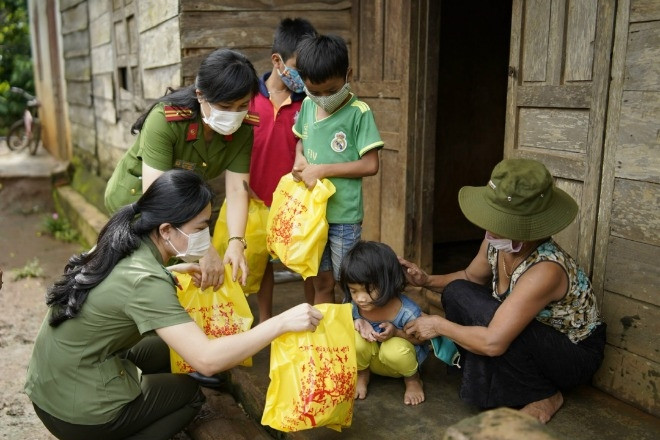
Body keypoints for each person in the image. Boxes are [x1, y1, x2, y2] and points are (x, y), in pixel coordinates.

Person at [25, 170, 323, 440]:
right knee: (190, 393)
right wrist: (280, 322)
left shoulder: (124, 234)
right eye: (200, 228)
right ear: (166, 230)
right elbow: (206, 359)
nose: (205, 238)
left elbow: (118, 285)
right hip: (75, 415)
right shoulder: (145, 281)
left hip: (49, 388)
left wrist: (170, 271)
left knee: (164, 350)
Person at [400, 158, 606, 424]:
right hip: (528, 336)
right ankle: (509, 382)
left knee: (494, 336)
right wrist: (425, 280)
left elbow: (494, 342)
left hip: (569, 353)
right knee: (457, 292)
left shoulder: (546, 270)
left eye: (498, 221)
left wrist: (438, 325)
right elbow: (470, 277)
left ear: (523, 228)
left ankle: (544, 394)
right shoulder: (499, 242)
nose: (489, 228)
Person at [104, 48, 260, 291]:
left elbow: (237, 190)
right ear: (201, 96)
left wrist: (236, 242)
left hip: (183, 209)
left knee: (182, 277)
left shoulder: (243, 129)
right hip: (139, 199)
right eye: (226, 106)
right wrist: (204, 248)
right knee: (145, 271)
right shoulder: (165, 120)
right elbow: (158, 195)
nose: (234, 115)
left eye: (242, 105)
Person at [292, 34, 383, 305]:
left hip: (343, 217)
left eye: (331, 91)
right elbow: (301, 141)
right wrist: (299, 159)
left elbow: (370, 164)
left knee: (350, 282)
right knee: (321, 281)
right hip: (312, 215)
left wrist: (321, 170)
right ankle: (326, 341)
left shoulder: (359, 112)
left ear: (348, 75)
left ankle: (354, 335)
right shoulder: (307, 106)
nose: (323, 98)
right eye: (314, 91)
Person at [248, 17, 317, 322]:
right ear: (277, 61)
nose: (304, 78)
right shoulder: (248, 99)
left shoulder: (308, 105)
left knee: (307, 263)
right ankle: (265, 320)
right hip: (256, 197)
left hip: (296, 200)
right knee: (261, 265)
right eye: (299, 69)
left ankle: (313, 316)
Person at [340, 241, 429, 406]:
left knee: (394, 348)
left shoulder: (406, 311)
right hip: (372, 362)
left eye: (368, 290)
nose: (360, 298)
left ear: (388, 283)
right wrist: (356, 322)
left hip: (400, 364)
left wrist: (396, 332)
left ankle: (413, 380)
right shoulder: (354, 307)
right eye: (354, 291)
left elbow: (422, 340)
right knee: (351, 337)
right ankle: (362, 374)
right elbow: (339, 325)